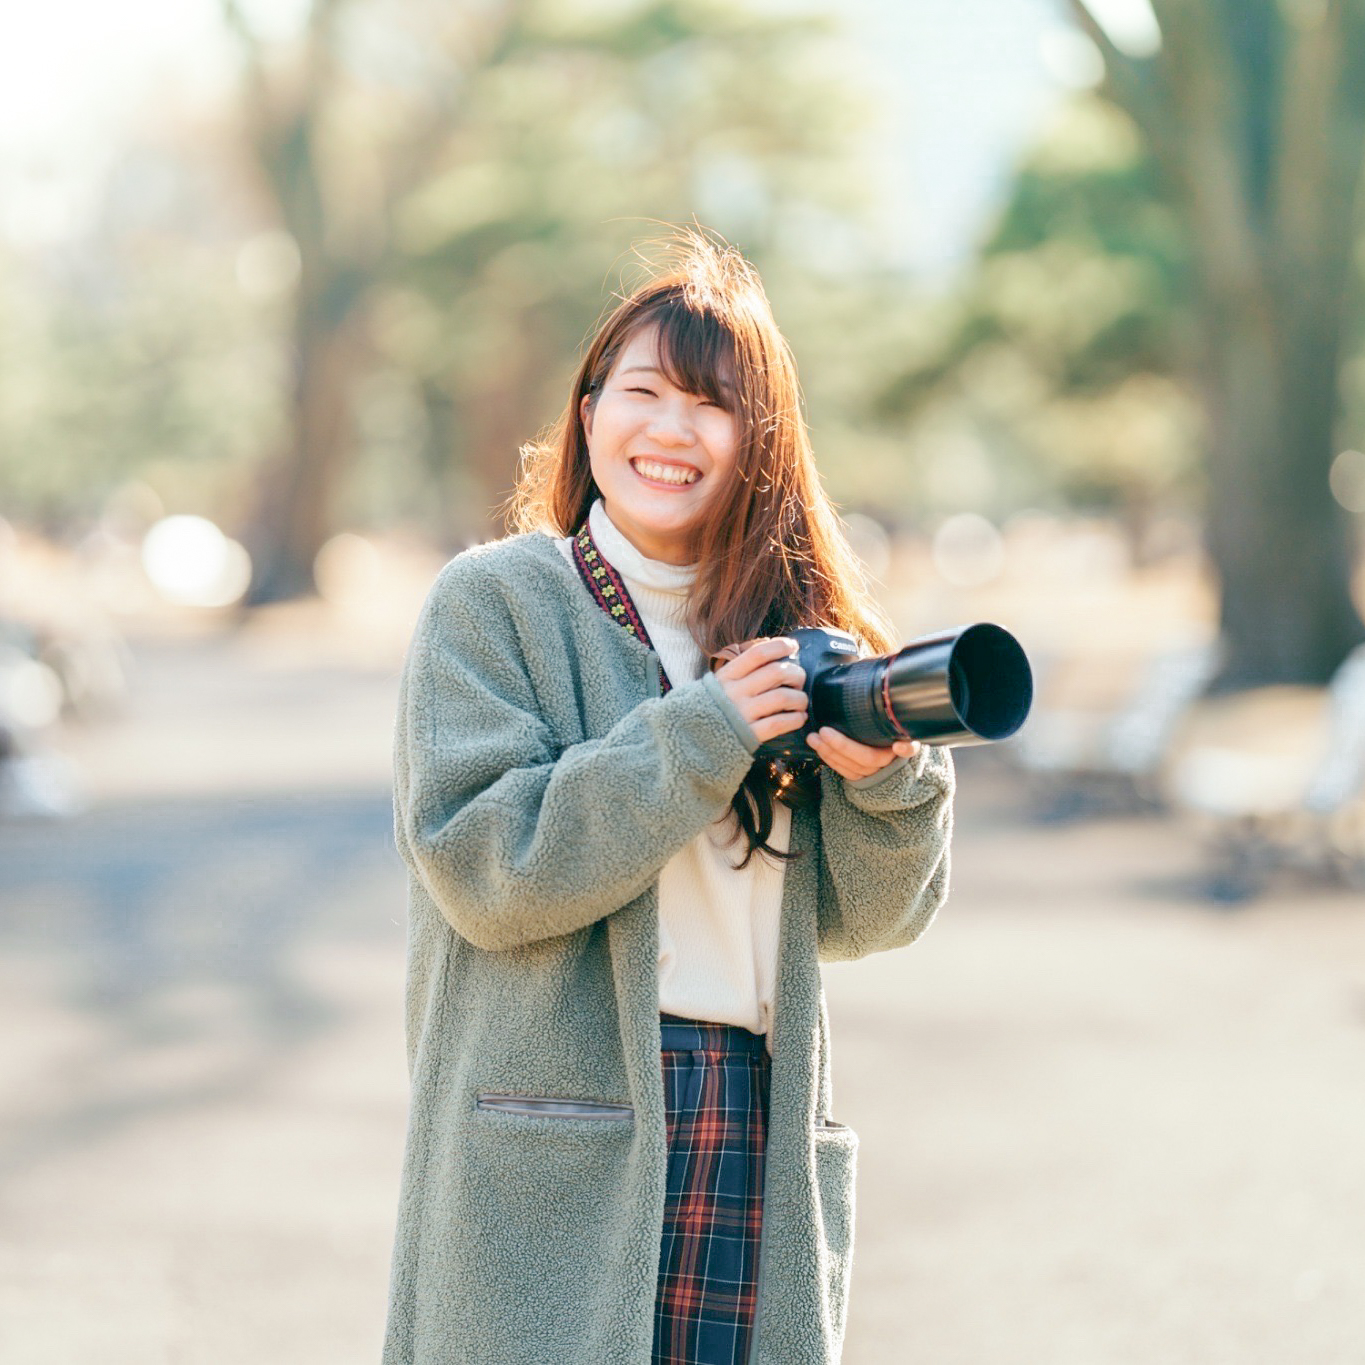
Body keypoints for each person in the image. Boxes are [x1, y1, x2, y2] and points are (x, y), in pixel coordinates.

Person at [383, 233, 955, 1365]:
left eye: (715, 405)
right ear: (589, 415)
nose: (672, 431)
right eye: (644, 392)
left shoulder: (790, 631)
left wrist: (893, 787)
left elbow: (870, 919)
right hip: (557, 1126)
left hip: (754, 1105)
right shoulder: (495, 603)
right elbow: (490, 871)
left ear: (759, 444)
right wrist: (707, 730)